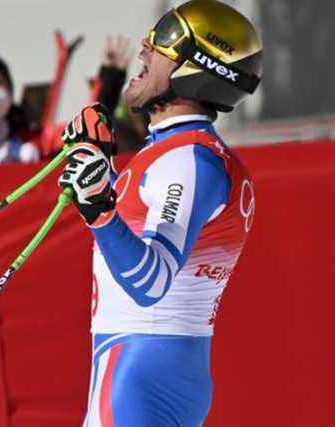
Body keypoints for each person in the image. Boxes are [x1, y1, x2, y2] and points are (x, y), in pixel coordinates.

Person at [57, 0, 262, 425]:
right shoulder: (175, 154)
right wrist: (97, 167)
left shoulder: (189, 160)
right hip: (148, 365)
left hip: (139, 371)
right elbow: (130, 224)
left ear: (199, 67)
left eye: (165, 40)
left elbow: (150, 281)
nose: (145, 48)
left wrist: (97, 206)